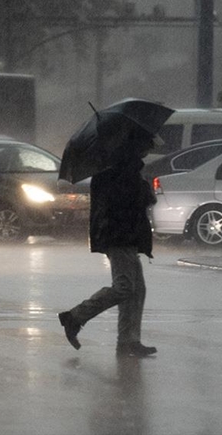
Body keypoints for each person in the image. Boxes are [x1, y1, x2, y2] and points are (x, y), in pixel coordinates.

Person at [59, 128, 159, 358]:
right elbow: (128, 203)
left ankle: (128, 341)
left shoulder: (123, 167)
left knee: (136, 290)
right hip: (119, 235)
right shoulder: (120, 170)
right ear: (135, 146)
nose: (149, 150)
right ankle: (75, 317)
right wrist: (144, 191)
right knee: (125, 287)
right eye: (146, 145)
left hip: (124, 235)